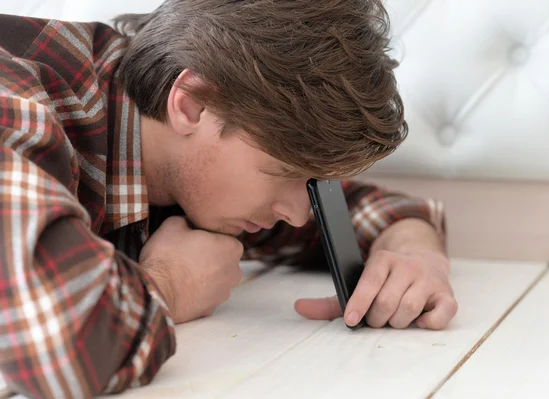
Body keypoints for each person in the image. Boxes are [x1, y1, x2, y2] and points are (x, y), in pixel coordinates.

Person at [0, 0, 457, 397]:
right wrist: (172, 283)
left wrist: (413, 248)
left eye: (313, 181)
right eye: (286, 172)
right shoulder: (14, 100)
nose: (298, 213)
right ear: (192, 103)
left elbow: (377, 207)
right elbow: (54, 346)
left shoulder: (183, 153)